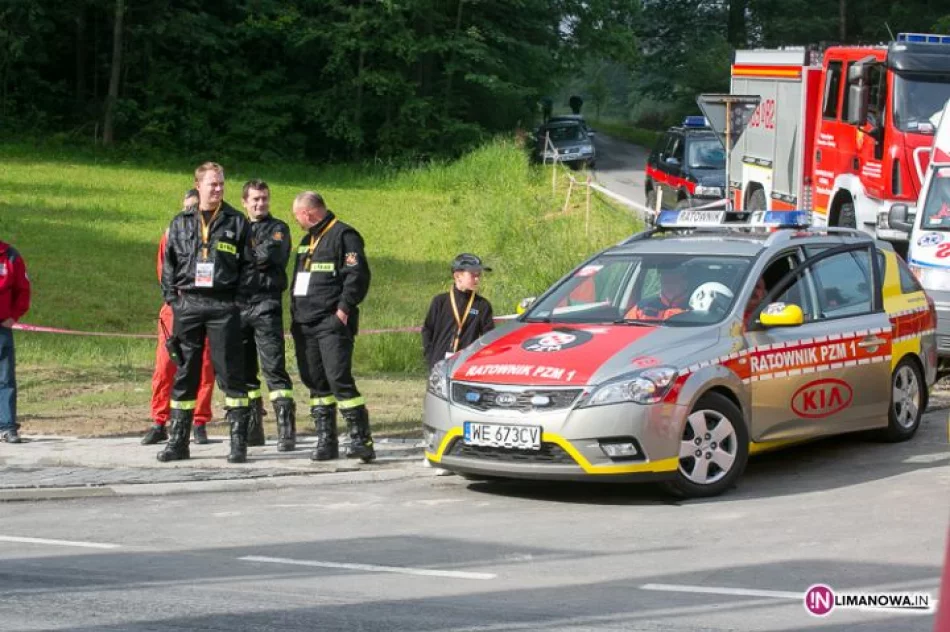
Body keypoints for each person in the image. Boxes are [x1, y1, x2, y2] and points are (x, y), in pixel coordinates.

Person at [159, 162, 254, 464]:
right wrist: (173, 299)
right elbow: (168, 264)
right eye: (213, 184)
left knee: (231, 374)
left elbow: (250, 267)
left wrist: (237, 301)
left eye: (222, 184)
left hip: (223, 305)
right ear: (198, 186)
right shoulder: (180, 222)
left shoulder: (237, 222)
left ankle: (238, 443)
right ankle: (178, 442)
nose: (218, 189)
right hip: (188, 305)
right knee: (185, 373)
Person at [289, 191, 374, 462]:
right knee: (315, 382)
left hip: (331, 322)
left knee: (339, 379)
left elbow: (357, 275)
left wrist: (343, 309)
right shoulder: (306, 241)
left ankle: (362, 439)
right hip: (304, 322)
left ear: (307, 213)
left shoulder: (344, 236)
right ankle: (326, 440)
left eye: (297, 217)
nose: (298, 222)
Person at [143, 189, 217, 446]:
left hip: (207, 306)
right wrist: (176, 302)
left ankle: (199, 422)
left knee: (205, 367)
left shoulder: (215, 236)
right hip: (176, 307)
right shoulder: (172, 233)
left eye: (194, 207)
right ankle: (159, 421)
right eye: (186, 207)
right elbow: (164, 272)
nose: (189, 212)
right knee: (166, 366)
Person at [239, 179, 296, 451]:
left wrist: (241, 257)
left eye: (264, 198)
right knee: (245, 371)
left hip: (266, 303)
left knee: (273, 368)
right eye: (255, 199)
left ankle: (286, 431)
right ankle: (253, 430)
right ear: (245, 202)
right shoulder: (236, 227)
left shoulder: (278, 229)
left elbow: (266, 257)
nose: (260, 203)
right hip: (238, 306)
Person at [422, 253, 495, 371]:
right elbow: (427, 330)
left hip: (466, 364)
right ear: (458, 276)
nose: (477, 279)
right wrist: (430, 358)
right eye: (472, 275)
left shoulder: (482, 305)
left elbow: (488, 336)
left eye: (479, 275)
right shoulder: (440, 301)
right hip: (439, 362)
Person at [0, 240, 31, 444]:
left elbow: (23, 289)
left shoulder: (11, 255)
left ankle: (7, 426)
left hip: (2, 326)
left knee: (5, 378)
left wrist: (14, 315)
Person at [626, 265, 691, 320]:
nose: (669, 283)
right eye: (665, 279)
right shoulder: (642, 308)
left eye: (674, 280)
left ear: (685, 283)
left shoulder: (694, 308)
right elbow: (625, 329)